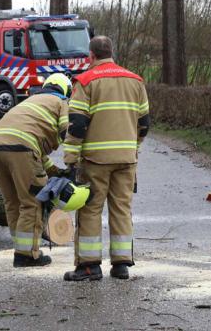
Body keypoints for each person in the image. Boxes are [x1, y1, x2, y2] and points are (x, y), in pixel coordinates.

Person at [61, 36, 150, 281]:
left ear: (91, 56)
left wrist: (70, 159)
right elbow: (144, 124)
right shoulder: (135, 80)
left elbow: (77, 125)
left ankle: (89, 266)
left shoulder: (86, 81)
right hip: (126, 159)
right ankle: (121, 265)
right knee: (121, 209)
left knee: (90, 209)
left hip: (96, 160)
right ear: (112, 52)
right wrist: (133, 148)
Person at [0, 73, 72, 267]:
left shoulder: (32, 100)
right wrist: (73, 163)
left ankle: (20, 246)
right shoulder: (61, 102)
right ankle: (27, 254)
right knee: (33, 201)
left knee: (12, 201)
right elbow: (68, 130)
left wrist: (55, 172)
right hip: (22, 147)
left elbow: (37, 154)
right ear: (66, 91)